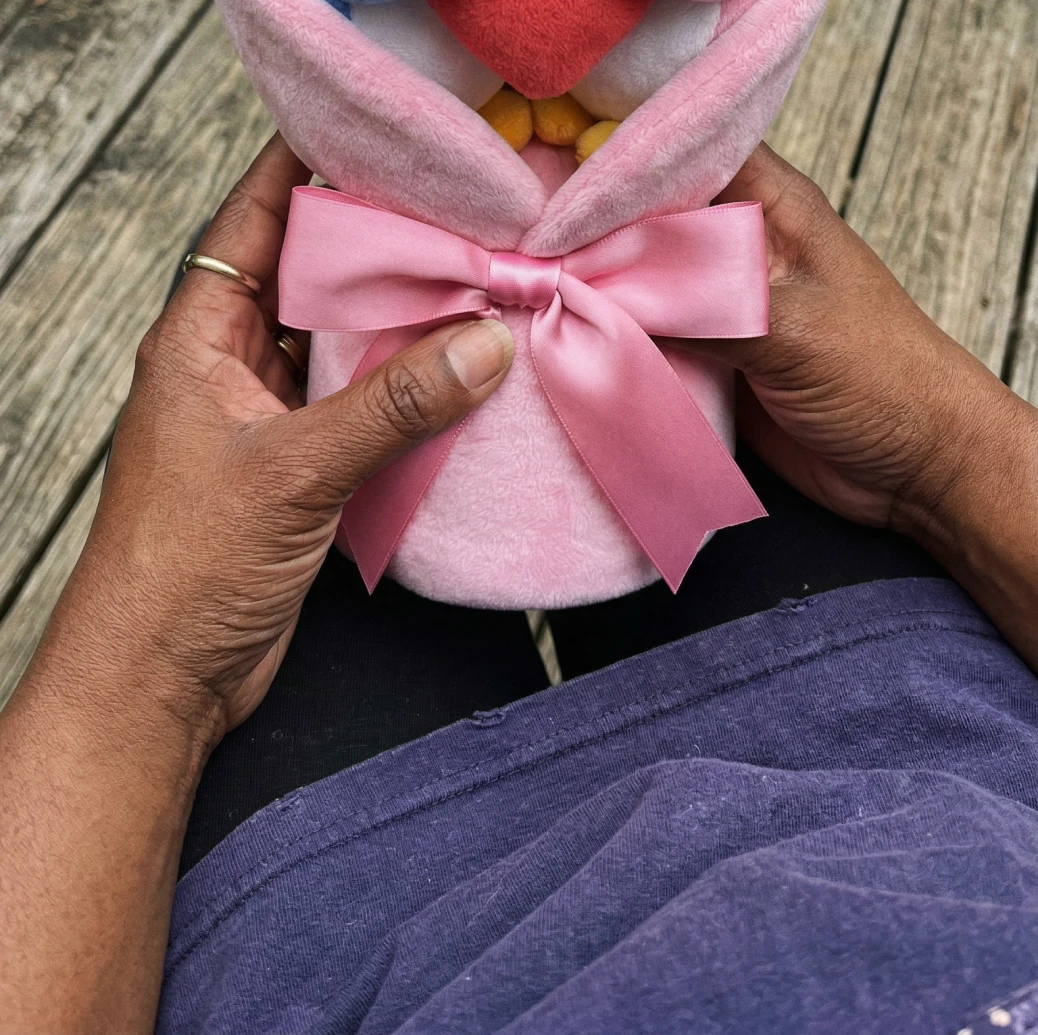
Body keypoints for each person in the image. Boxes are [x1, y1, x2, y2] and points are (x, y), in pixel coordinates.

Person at [0, 134, 1036, 1035]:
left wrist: (153, 669)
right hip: (906, 715)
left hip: (345, 928)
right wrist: (942, 457)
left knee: (312, 419)